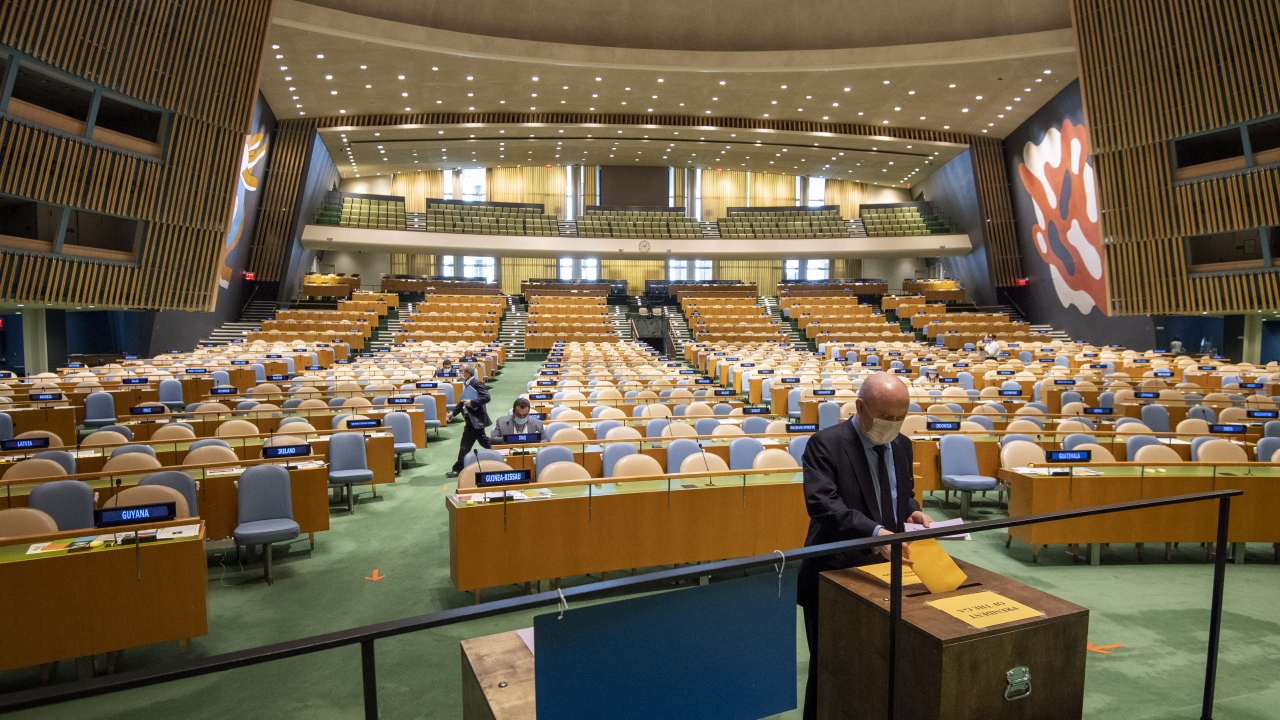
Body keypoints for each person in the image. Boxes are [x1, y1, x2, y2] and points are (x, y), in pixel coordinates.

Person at [796, 372, 931, 720]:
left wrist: (912, 512)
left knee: (878, 662)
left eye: (901, 418)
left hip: (885, 574)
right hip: (834, 571)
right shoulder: (826, 444)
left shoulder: (902, 444)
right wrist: (876, 533)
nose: (894, 425)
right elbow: (825, 505)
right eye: (886, 417)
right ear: (860, 406)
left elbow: (902, 494)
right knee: (831, 669)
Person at [445, 364, 492, 478]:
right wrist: (452, 413)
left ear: (468, 373)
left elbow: (487, 397)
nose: (459, 373)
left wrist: (472, 403)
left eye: (461, 371)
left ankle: (458, 469)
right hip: (473, 420)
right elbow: (462, 402)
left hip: (475, 420)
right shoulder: (467, 384)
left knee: (465, 446)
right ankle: (502, 455)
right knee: (485, 442)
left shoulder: (476, 383)